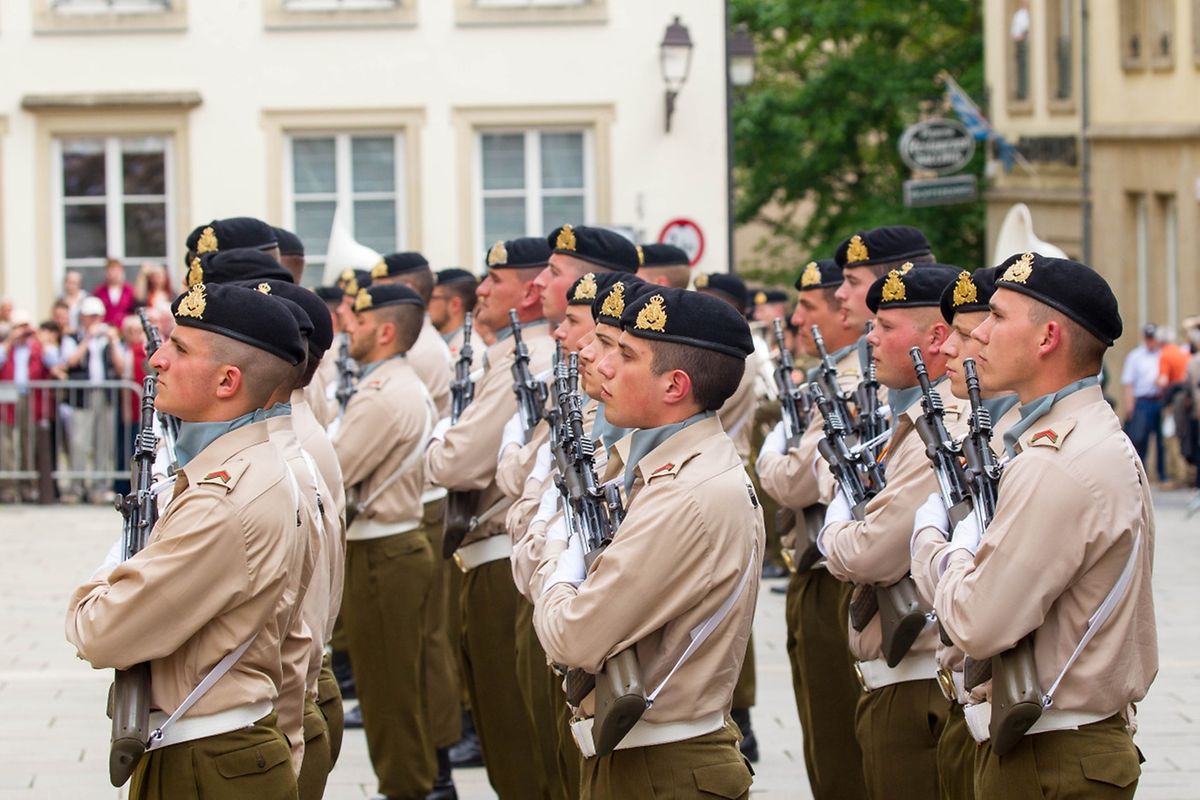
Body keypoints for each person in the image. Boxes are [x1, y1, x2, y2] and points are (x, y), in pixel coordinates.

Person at [915, 252, 1156, 799]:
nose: (979, 337)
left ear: (1047, 338)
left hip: (1050, 758)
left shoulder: (1056, 461)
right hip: (1059, 746)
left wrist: (938, 547)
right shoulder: (1080, 436)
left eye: (997, 318)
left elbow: (977, 622)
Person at [65, 281, 310, 800]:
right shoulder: (246, 470)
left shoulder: (224, 499)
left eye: (179, 349)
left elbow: (99, 630)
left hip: (207, 762)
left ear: (227, 380)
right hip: (212, 750)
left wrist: (109, 569)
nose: (157, 360)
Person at [533, 286, 762, 799]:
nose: (604, 366)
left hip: (663, 769)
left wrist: (557, 560)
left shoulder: (687, 493)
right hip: (646, 756)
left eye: (627, 355)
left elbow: (574, 637)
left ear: (675, 386)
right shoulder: (665, 472)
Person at [819, 263, 963, 800]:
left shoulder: (940, 429)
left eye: (885, 326)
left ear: (936, 337)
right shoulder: (913, 420)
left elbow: (871, 552)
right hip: (898, 677)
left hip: (919, 682)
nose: (870, 337)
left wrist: (835, 525)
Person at [424, 236, 555, 800]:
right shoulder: (506, 355)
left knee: (514, 740)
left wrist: (438, 438)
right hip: (489, 553)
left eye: (493, 281)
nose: (479, 291)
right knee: (502, 730)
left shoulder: (529, 358)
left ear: (525, 291)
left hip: (504, 559)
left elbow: (454, 460)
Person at [755, 257, 870, 800]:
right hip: (817, 566)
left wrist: (772, 451)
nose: (797, 320)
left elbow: (794, 480)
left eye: (810, 305)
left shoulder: (852, 383)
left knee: (839, 749)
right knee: (824, 739)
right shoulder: (830, 376)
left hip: (837, 575)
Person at [909, 266, 1019, 800]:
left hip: (1009, 714)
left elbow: (976, 603)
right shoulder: (968, 428)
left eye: (972, 331)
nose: (948, 348)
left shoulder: (1031, 448)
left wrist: (930, 540)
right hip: (963, 698)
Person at [332, 283, 439, 800]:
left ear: (386, 330)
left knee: (388, 693)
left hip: (383, 552)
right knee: (391, 688)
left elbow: (333, 470)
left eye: (360, 317)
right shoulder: (394, 384)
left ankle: (406, 788)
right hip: (392, 547)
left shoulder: (382, 395)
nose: (349, 323)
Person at [60, 296, 122, 504]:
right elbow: (70, 361)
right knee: (79, 442)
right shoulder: (73, 338)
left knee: (104, 442)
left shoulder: (109, 338)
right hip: (82, 396)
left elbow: (121, 367)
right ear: (82, 318)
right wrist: (87, 339)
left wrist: (113, 341)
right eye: (90, 316)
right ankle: (76, 488)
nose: (94, 320)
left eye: (97, 316)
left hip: (105, 395)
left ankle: (100, 488)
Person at [0, 310, 56, 503]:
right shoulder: (7, 348)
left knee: (28, 443)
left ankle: (27, 487)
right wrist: (9, 341)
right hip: (8, 399)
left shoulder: (38, 347)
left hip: (32, 398)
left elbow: (54, 362)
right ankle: (8, 487)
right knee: (6, 444)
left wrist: (41, 340)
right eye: (19, 327)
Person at [1122, 323, 1166, 483]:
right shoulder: (1135, 356)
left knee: (1162, 440)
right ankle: (1142, 474)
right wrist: (1129, 405)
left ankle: (1162, 474)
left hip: (1159, 400)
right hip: (1143, 401)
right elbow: (1128, 383)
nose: (1150, 342)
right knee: (1141, 439)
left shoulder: (1162, 354)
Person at [431, 268, 485, 361]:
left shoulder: (473, 354)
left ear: (455, 304)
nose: (427, 305)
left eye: (433, 298)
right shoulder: (440, 343)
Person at [94, 258, 137, 328]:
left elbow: (134, 310)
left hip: (126, 328)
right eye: (110, 270)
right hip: (105, 328)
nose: (112, 273)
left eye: (115, 270)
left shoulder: (129, 290)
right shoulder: (99, 291)